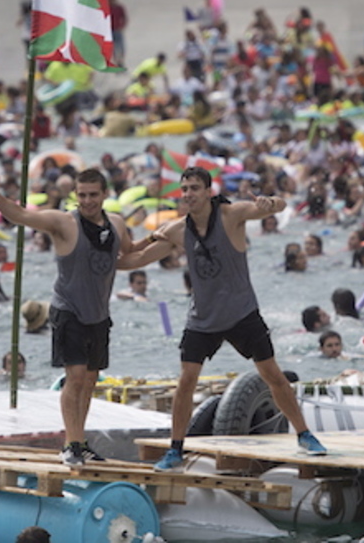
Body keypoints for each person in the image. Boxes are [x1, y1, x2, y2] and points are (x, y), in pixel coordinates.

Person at [117, 167, 328, 471]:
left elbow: (277, 206)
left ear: (208, 192)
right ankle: (175, 449)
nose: (188, 193)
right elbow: (135, 260)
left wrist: (273, 203)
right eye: (184, 188)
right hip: (202, 318)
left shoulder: (231, 215)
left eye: (194, 188)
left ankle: (305, 435)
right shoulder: (177, 229)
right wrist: (99, 261)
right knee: (186, 381)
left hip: (242, 312)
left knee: (272, 376)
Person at [0, 168, 133, 467]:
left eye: (93, 195)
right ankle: (71, 444)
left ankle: (81, 441)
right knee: (74, 378)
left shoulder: (116, 223)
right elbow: (22, 216)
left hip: (99, 314)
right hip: (69, 310)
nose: (87, 201)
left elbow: (129, 252)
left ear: (105, 195)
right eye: (82, 195)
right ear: (75, 195)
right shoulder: (63, 222)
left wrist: (164, 240)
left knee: (90, 381)